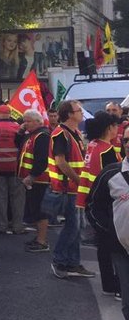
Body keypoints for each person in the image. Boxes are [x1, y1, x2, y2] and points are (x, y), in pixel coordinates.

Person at [48, 100, 94, 279]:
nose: (82, 113)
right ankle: (59, 261)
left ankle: (73, 263)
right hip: (68, 188)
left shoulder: (74, 132)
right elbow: (60, 161)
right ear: (69, 114)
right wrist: (79, 181)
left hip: (75, 188)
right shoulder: (61, 133)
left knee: (76, 227)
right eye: (79, 110)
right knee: (72, 227)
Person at [79, 111, 123, 293]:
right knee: (114, 247)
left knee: (103, 246)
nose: (117, 129)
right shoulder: (107, 151)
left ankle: (108, 285)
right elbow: (114, 178)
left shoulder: (93, 145)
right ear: (109, 128)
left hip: (91, 200)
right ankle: (117, 285)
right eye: (115, 126)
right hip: (107, 203)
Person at [86, 156, 129, 320]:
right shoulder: (110, 174)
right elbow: (93, 206)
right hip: (121, 249)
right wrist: (110, 231)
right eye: (126, 142)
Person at [17, 109, 52, 253]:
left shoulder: (42, 136)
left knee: (40, 211)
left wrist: (32, 176)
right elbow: (18, 144)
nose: (25, 124)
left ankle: (42, 241)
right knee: (35, 210)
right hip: (34, 180)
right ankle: (39, 238)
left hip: (40, 180)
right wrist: (20, 131)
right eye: (24, 121)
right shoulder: (32, 135)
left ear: (38, 122)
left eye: (28, 121)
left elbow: (42, 159)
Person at [0, 104, 27, 235]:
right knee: (17, 199)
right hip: (15, 168)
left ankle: (2, 226)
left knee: (0, 199)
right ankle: (17, 226)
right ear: (10, 113)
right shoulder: (18, 128)